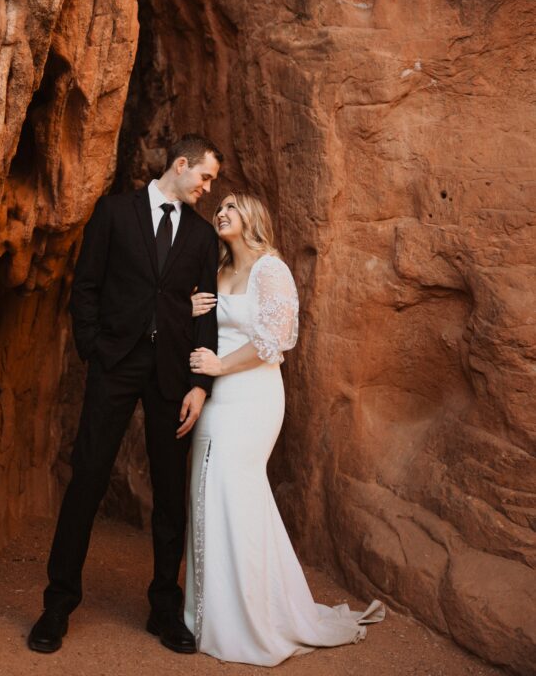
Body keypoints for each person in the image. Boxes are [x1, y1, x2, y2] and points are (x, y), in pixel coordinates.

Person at [28, 134, 223, 655]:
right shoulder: (114, 213)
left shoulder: (203, 239)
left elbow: (207, 314)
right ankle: (57, 604)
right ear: (180, 165)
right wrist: (95, 349)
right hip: (114, 366)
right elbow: (85, 287)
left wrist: (201, 386)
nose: (207, 188)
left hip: (173, 378)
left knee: (168, 495)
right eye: (204, 177)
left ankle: (164, 608)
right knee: (87, 480)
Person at [186, 192, 385, 666]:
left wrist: (217, 368)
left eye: (232, 206)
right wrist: (191, 309)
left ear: (252, 217)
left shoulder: (270, 269)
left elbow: (272, 341)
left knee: (239, 489)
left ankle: (256, 618)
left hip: (252, 393)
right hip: (218, 397)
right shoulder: (215, 272)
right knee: (207, 491)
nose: (222, 212)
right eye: (219, 206)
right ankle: (209, 613)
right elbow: (205, 330)